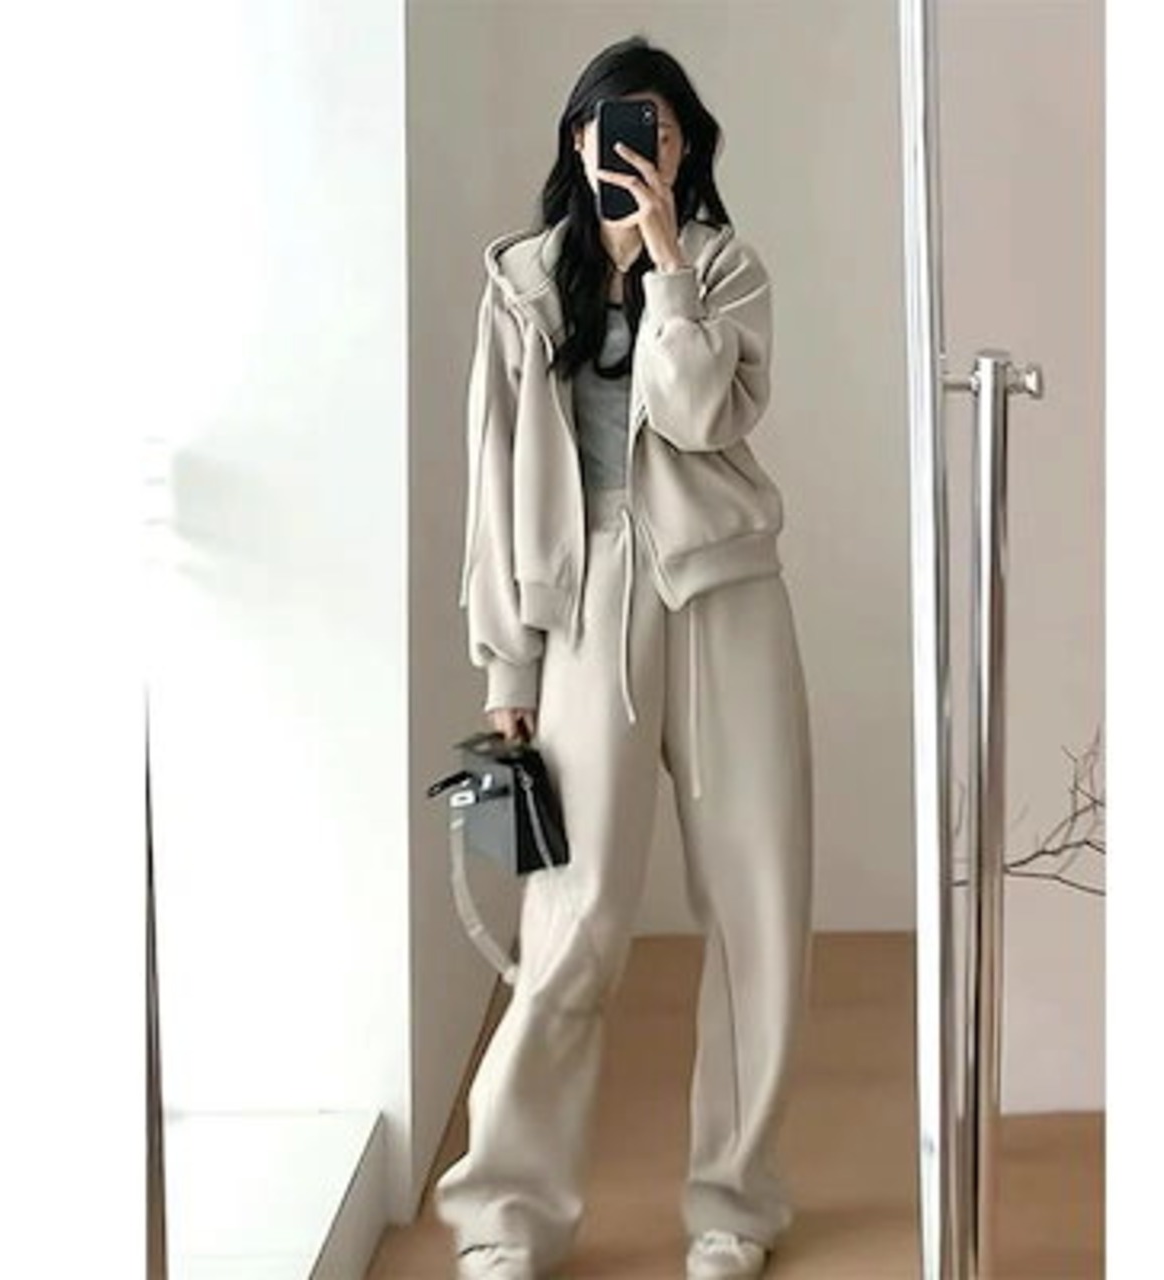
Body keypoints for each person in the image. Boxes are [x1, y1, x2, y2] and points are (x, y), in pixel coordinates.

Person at [434, 34, 815, 1280]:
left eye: (657, 130)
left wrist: (666, 271)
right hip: (584, 606)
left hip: (723, 594)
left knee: (757, 906)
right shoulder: (520, 286)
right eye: (613, 129)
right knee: (575, 916)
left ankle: (733, 1203)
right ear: (576, 140)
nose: (636, 151)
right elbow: (495, 486)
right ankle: (505, 1213)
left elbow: (700, 415)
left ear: (684, 145)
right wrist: (507, 669)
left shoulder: (723, 268)